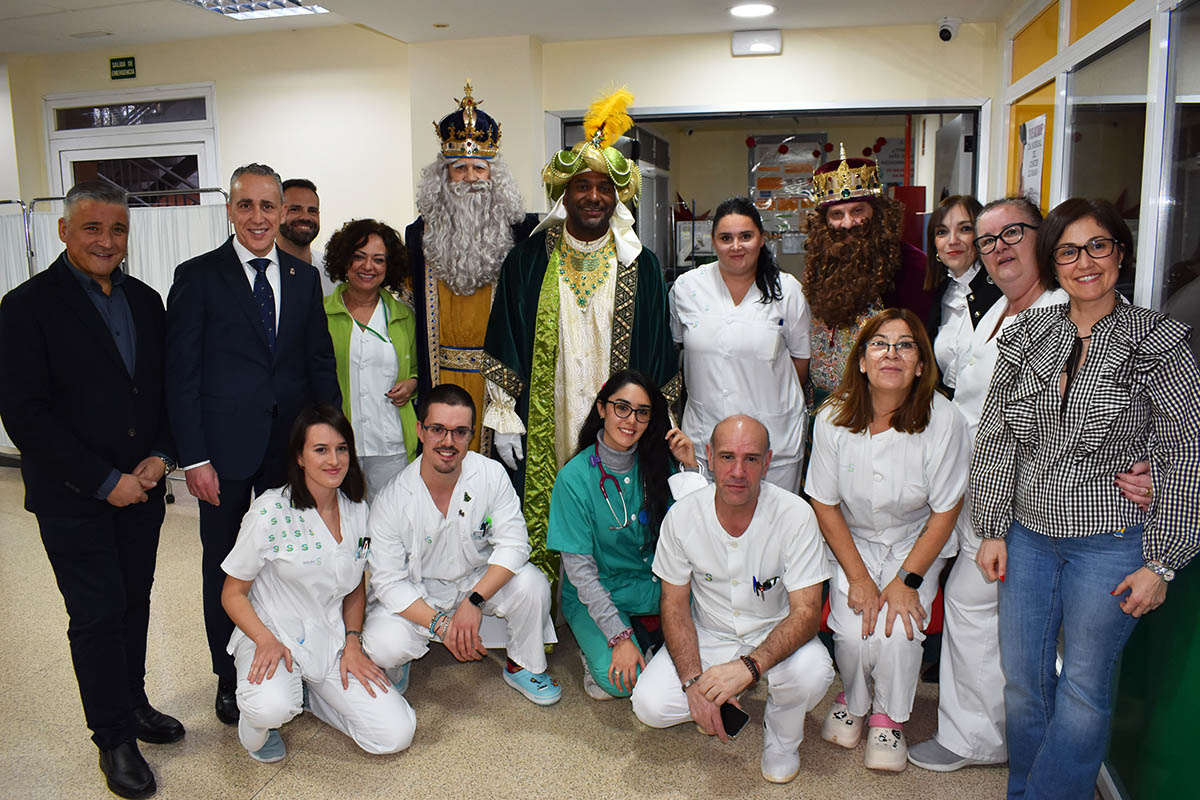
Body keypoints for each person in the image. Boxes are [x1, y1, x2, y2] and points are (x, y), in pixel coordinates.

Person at [906, 197, 1152, 774]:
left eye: (1012, 233)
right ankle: (999, 741)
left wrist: (1147, 469)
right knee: (992, 627)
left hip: (1034, 506)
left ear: (1043, 239)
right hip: (979, 491)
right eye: (987, 240)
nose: (998, 249)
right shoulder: (1002, 311)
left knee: (984, 614)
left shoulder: (1070, 312)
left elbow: (1132, 413)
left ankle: (982, 739)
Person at [971, 198, 1200, 799]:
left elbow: (1185, 450)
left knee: (1083, 687)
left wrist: (1163, 562)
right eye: (1068, 251)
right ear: (1053, 262)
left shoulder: (1159, 340)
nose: (1085, 262)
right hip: (1028, 538)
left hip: (1112, 543)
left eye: (1098, 245)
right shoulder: (1028, 334)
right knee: (1023, 681)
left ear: (1120, 253)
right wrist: (992, 527)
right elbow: (997, 434)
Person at [0, 181, 182, 799]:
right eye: (92, 228)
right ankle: (113, 737)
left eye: (117, 229)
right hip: (73, 497)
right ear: (63, 231)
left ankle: (133, 703)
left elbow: (161, 391)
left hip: (143, 490)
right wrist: (106, 483)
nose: (107, 241)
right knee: (97, 613)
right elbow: (25, 415)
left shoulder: (147, 301)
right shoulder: (25, 306)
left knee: (134, 602)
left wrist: (161, 456)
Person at [166, 163, 340, 726]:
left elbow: (319, 363)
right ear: (230, 210)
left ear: (281, 212)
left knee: (287, 561)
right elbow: (181, 376)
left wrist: (330, 444)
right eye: (247, 205)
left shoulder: (302, 278)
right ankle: (228, 675)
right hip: (222, 455)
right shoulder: (197, 276)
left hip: (288, 452)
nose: (258, 217)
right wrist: (194, 458)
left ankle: (288, 660)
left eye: (269, 206)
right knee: (226, 566)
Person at [482, 87, 679, 583]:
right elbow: (505, 334)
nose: (593, 196)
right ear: (563, 194)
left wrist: (661, 420)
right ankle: (550, 602)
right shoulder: (527, 261)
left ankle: (614, 598)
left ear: (617, 197)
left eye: (604, 188)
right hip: (546, 419)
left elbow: (659, 349)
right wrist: (504, 416)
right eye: (582, 186)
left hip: (622, 423)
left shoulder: (641, 265)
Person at [806, 308, 969, 772]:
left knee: (898, 629)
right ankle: (854, 700)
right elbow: (824, 503)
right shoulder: (832, 417)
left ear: (920, 364)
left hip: (916, 540)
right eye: (879, 344)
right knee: (855, 630)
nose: (891, 354)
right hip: (852, 539)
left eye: (905, 345)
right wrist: (859, 578)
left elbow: (946, 510)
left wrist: (906, 580)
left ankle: (888, 717)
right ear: (861, 361)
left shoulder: (945, 420)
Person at [631, 415, 835, 785]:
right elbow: (674, 607)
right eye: (727, 457)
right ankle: (713, 698)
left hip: (776, 631)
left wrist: (749, 667)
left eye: (751, 459)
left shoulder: (796, 515)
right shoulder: (683, 517)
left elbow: (806, 612)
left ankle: (782, 735)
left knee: (814, 673)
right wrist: (693, 684)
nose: (738, 471)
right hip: (711, 633)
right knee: (650, 706)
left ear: (767, 462)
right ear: (709, 457)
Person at [221, 404, 415, 762]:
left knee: (396, 733)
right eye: (321, 450)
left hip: (331, 640)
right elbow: (232, 593)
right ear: (299, 457)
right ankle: (256, 727)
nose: (334, 460)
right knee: (271, 707)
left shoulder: (357, 509)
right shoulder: (270, 512)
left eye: (342, 449)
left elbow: (355, 584)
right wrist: (264, 639)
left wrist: (354, 641)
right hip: (273, 635)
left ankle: (313, 697)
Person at [362, 384, 561, 706]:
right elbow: (388, 581)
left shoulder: (491, 475)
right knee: (384, 645)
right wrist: (440, 623)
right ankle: (400, 663)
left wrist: (474, 601)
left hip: (476, 582)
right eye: (437, 429)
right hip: (421, 591)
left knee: (532, 584)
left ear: (471, 435)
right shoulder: (392, 498)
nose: (448, 441)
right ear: (420, 431)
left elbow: (514, 545)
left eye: (459, 432)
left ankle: (523, 665)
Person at [546, 370, 700, 700]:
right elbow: (581, 573)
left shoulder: (659, 464)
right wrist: (619, 636)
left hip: (654, 586)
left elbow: (697, 531)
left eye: (642, 412)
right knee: (623, 683)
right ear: (602, 409)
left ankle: (647, 636)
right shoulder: (573, 478)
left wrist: (689, 467)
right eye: (622, 407)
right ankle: (621, 642)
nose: (631, 420)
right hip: (598, 592)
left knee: (706, 649)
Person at [407, 82, 539, 454]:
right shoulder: (418, 235)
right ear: (442, 176)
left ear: (494, 175)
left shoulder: (522, 233)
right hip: (440, 377)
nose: (470, 178)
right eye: (459, 168)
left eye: (479, 168)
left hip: (501, 383)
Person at [670, 197, 811, 492]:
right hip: (706, 436)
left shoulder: (787, 290)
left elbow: (800, 361)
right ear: (713, 242)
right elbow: (676, 348)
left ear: (761, 238)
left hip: (774, 439)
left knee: (775, 518)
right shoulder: (687, 288)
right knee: (706, 517)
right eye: (726, 238)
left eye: (745, 236)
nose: (736, 246)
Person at [803, 145, 934, 398]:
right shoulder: (821, 263)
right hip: (822, 407)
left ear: (877, 213)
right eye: (837, 214)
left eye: (858, 211)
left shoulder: (913, 267)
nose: (848, 223)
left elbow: (922, 352)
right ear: (824, 222)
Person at [322, 219, 418, 498]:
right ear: (345, 260)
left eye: (378, 260)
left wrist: (413, 383)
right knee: (344, 518)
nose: (368, 267)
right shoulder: (321, 314)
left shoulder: (403, 316)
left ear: (389, 267)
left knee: (393, 517)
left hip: (391, 444)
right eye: (359, 257)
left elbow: (417, 370)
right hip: (338, 442)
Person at [922, 194, 1001, 395]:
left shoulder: (1004, 291)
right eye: (942, 232)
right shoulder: (938, 294)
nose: (952, 241)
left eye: (965, 229)